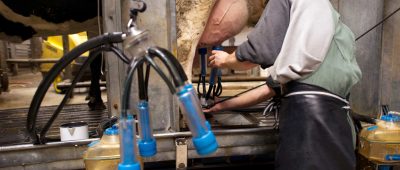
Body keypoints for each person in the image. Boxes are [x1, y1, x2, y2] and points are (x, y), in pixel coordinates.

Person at [204, 0, 362, 169]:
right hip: (336, 121)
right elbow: (267, 89)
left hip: (309, 122)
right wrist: (221, 105)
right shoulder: (319, 30)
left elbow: (260, 51)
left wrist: (226, 59)